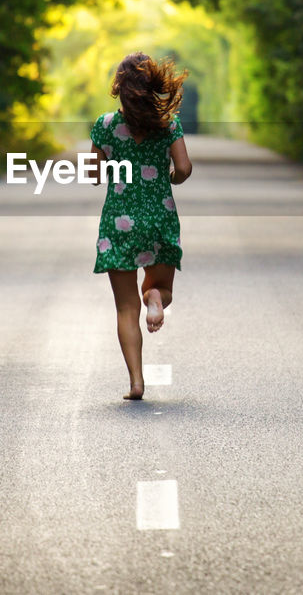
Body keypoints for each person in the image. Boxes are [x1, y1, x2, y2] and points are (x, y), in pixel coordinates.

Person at [89, 52, 192, 400]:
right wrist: (171, 178)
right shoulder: (169, 124)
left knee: (124, 308)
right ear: (153, 89)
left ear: (118, 88)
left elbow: (92, 175)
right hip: (159, 217)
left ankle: (136, 382)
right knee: (163, 288)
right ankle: (154, 297)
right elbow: (184, 168)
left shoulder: (104, 126)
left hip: (118, 223)